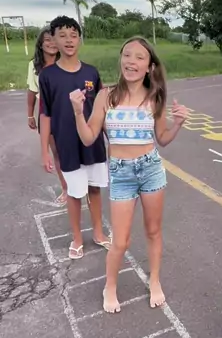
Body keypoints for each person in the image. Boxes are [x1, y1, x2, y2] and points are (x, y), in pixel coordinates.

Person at [69, 37, 188, 314]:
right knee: (120, 241)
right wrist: (77, 112)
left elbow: (162, 138)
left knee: (153, 231)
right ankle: (109, 286)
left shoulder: (154, 97)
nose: (131, 62)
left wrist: (178, 124)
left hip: (150, 169)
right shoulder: (106, 96)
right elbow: (88, 137)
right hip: (121, 172)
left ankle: (154, 280)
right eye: (127, 55)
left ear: (149, 67)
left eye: (139, 57)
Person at [39, 16, 111, 260]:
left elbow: (102, 110)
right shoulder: (48, 76)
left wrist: (111, 139)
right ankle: (77, 238)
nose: (69, 40)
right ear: (54, 40)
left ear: (80, 39)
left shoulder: (91, 72)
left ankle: (98, 233)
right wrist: (44, 151)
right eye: (62, 35)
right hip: (67, 145)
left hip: (93, 143)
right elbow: (45, 115)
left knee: (95, 189)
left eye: (73, 35)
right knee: (74, 192)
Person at [27, 27, 67, 205]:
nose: (52, 43)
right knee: (57, 153)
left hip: (67, 112)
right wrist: (30, 115)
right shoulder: (33, 66)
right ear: (41, 44)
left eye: (54, 39)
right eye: (47, 40)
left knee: (74, 150)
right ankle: (66, 188)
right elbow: (31, 90)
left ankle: (83, 184)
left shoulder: (66, 61)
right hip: (47, 113)